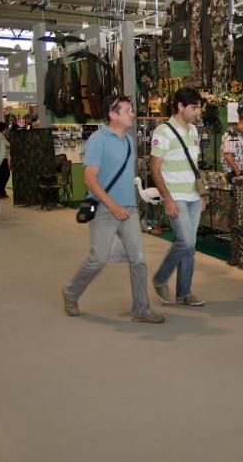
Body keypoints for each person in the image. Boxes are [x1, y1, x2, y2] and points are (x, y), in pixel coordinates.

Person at [62, 96, 164, 323]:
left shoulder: (128, 141)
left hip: (129, 210)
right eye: (128, 111)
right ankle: (71, 293)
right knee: (98, 259)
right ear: (113, 114)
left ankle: (142, 309)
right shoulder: (98, 140)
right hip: (105, 210)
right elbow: (89, 178)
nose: (132, 114)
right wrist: (113, 205)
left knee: (138, 259)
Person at [150, 87, 207, 307]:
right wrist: (168, 198)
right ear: (181, 107)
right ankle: (160, 278)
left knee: (190, 246)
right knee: (184, 241)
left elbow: (194, 165)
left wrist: (203, 195)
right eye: (194, 107)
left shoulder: (193, 131)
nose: (197, 111)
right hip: (176, 196)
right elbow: (155, 169)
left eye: (199, 107)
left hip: (194, 196)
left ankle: (184, 292)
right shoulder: (162, 132)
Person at [221, 114, 243, 184]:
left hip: (239, 173)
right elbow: (227, 155)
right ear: (239, 123)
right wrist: (238, 172)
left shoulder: (237, 135)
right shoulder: (232, 135)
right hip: (235, 174)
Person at [0, 121, 10, 199]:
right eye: (5, 128)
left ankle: (1, 191)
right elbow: (6, 145)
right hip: (1, 158)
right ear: (2, 129)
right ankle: (0, 191)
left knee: (3, 175)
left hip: (3, 158)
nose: (6, 130)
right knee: (4, 175)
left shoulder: (2, 136)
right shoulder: (0, 136)